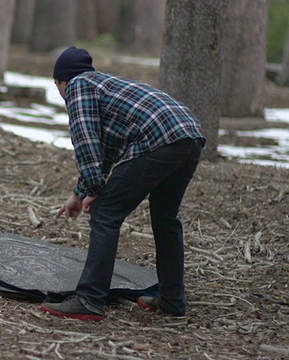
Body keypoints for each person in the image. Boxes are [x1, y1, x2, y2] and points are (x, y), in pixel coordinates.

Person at [40, 47, 206, 321]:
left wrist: (95, 192)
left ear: (62, 81)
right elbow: (107, 152)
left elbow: (86, 142)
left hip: (159, 139)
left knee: (105, 214)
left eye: (56, 85)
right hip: (189, 136)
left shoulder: (78, 87)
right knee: (166, 219)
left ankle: (90, 300)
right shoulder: (106, 86)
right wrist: (80, 193)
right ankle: (173, 300)